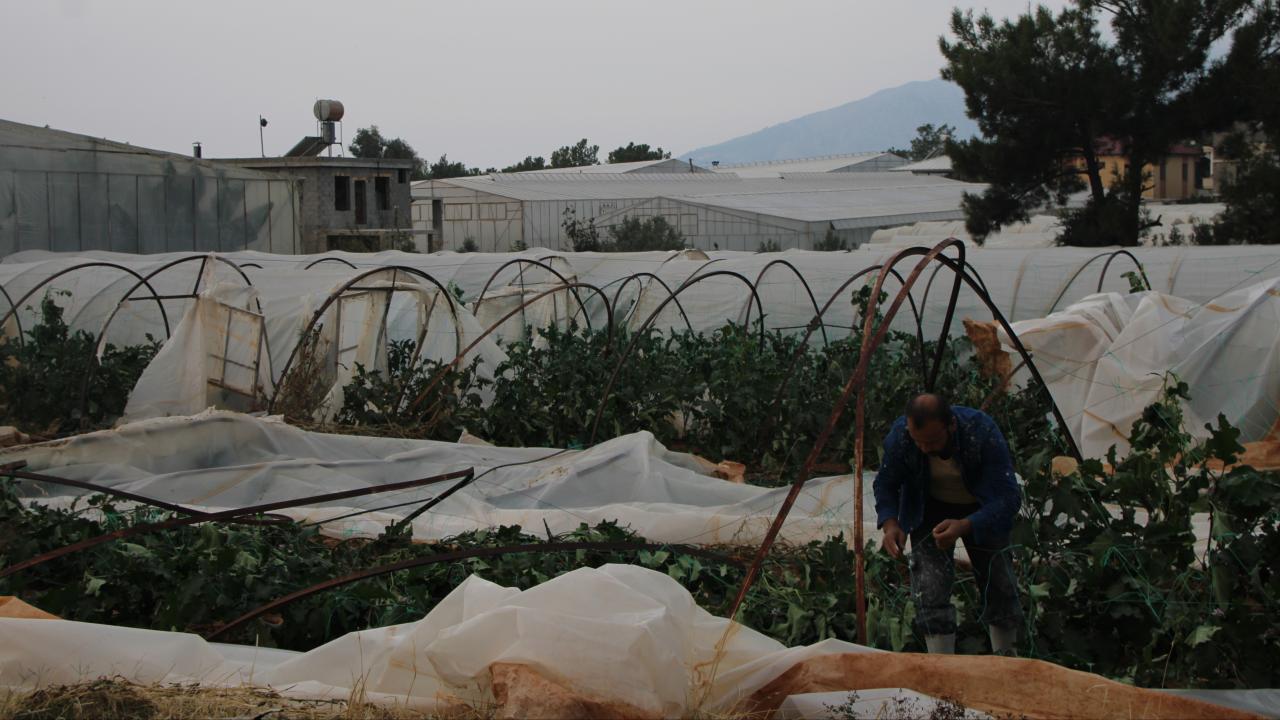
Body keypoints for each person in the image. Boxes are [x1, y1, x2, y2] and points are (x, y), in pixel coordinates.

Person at [873, 393, 1024, 655]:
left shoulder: (981, 431)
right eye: (918, 441)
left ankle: (1007, 660)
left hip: (982, 508)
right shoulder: (901, 436)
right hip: (928, 508)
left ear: (951, 425)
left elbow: (1008, 497)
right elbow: (885, 483)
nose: (924, 448)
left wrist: (966, 524)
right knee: (930, 588)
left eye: (932, 441)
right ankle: (941, 665)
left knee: (999, 583)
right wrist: (890, 523)